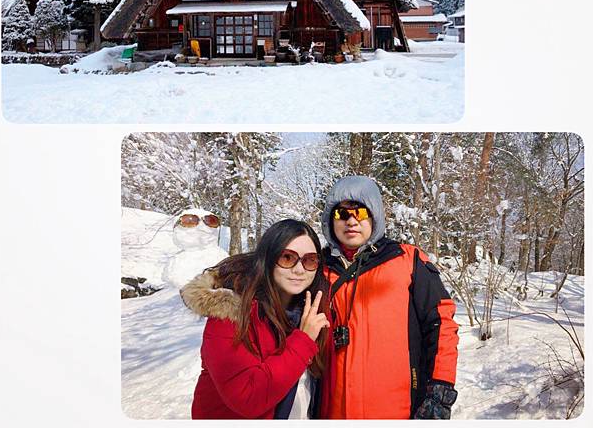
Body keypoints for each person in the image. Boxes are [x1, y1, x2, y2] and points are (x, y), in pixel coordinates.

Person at [320, 175, 459, 420]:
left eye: (360, 212)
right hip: (332, 413)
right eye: (342, 213)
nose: (351, 221)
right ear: (331, 220)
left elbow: (442, 323)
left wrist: (440, 388)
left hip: (398, 410)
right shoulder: (316, 268)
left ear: (375, 216)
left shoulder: (407, 260)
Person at [180, 219, 331, 419]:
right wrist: (303, 341)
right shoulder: (232, 313)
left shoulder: (309, 311)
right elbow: (248, 398)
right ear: (268, 259)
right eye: (287, 257)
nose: (299, 269)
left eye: (310, 260)